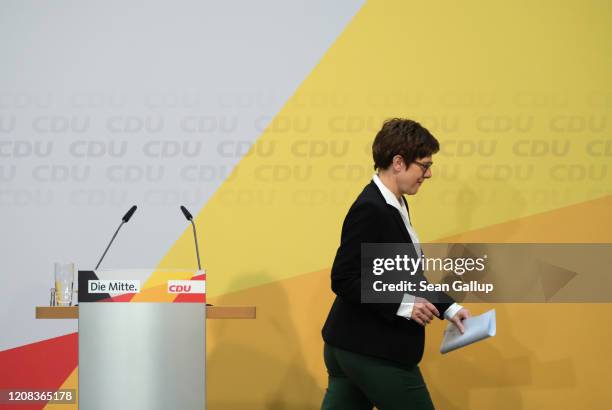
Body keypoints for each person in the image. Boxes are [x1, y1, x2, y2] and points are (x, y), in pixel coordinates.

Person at [321, 118, 470, 410]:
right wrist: (405, 305)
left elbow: (406, 276)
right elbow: (344, 279)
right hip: (372, 350)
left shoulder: (394, 203)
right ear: (398, 162)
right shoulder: (370, 208)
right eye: (424, 165)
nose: (428, 174)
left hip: (349, 346)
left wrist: (448, 308)